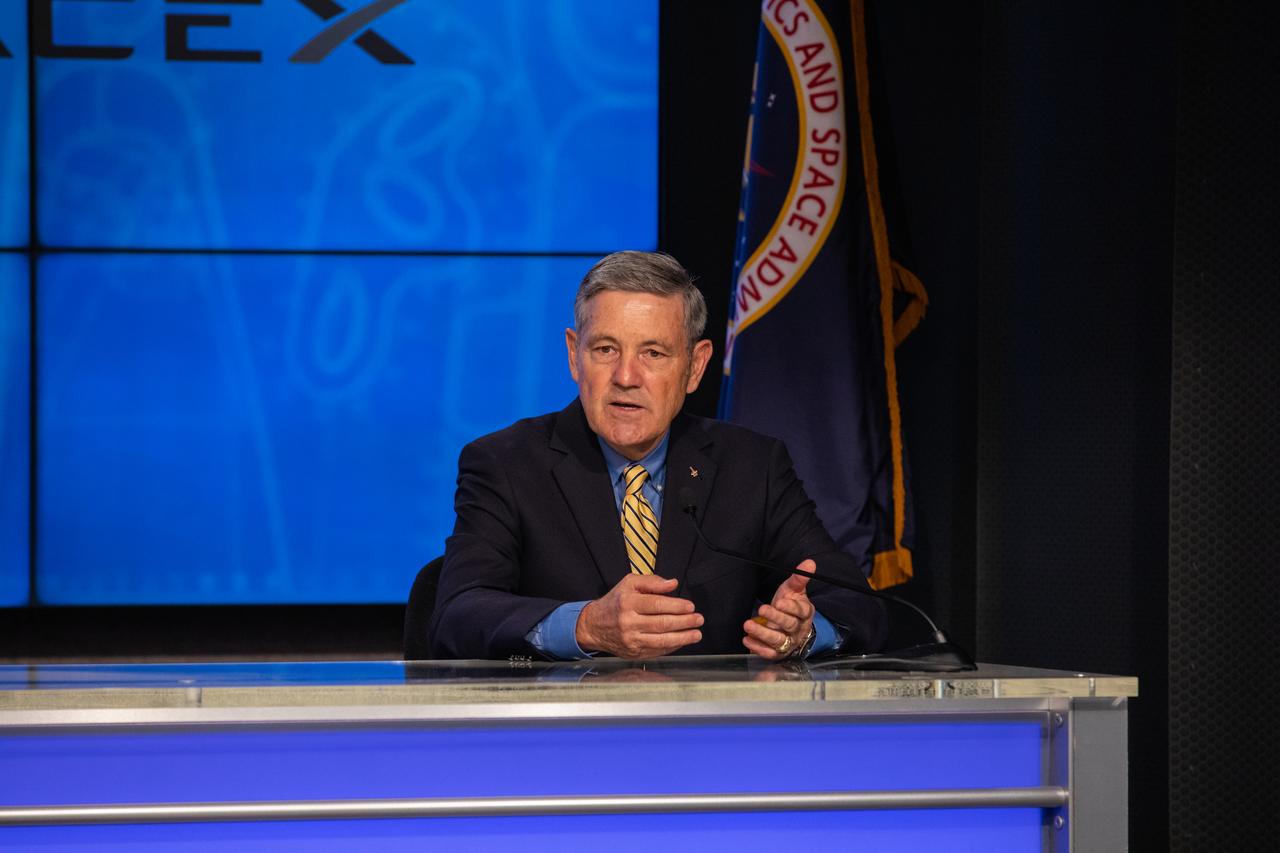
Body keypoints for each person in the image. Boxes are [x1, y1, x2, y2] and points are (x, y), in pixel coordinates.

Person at [427, 251, 886, 661]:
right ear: (574, 355)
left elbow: (858, 604)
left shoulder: (753, 467)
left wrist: (803, 633)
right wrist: (586, 625)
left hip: (709, 740)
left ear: (695, 366)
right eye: (606, 349)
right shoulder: (506, 463)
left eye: (654, 353)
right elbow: (458, 613)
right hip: (563, 739)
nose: (626, 376)